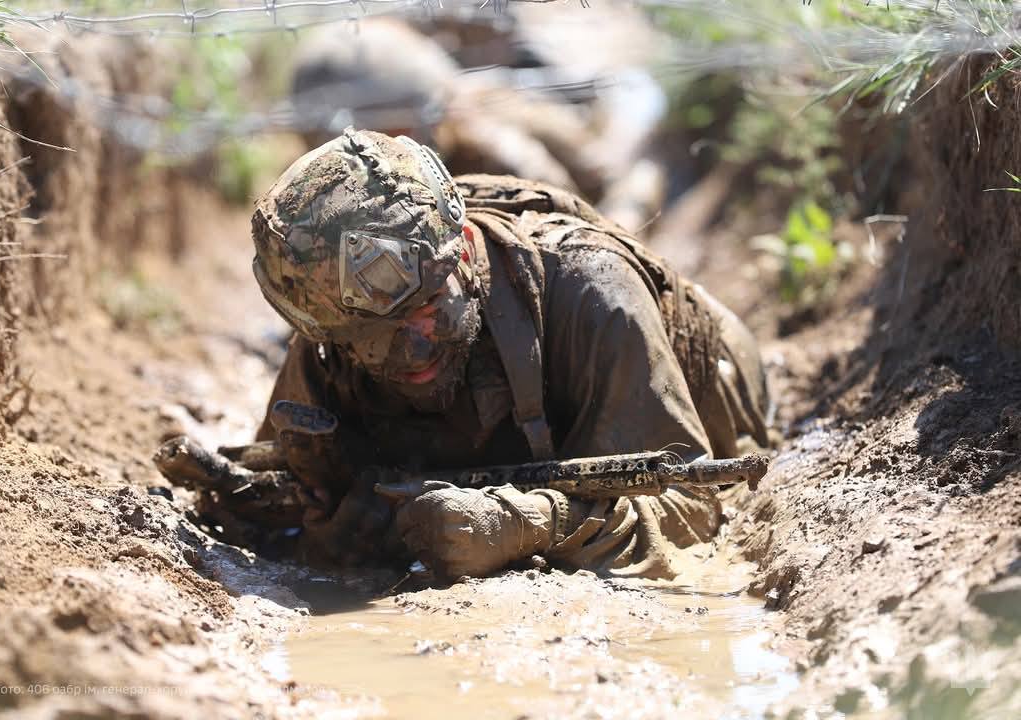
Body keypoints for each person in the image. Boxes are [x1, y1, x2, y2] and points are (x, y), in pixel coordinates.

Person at [249, 127, 771, 582]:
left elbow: (694, 506)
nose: (410, 349)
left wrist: (531, 525)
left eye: (424, 309)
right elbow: (262, 495)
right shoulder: (333, 324)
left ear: (462, 248)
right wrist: (325, 531)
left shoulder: (597, 296)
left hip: (713, 371)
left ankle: (646, 173)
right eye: (370, 339)